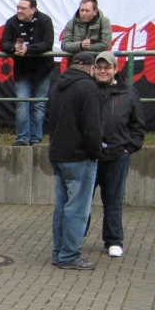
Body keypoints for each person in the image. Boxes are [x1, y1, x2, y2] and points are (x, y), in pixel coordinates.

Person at [46, 52, 103, 270]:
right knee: (77, 209)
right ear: (91, 68)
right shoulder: (88, 87)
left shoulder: (57, 86)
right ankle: (69, 255)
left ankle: (59, 252)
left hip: (58, 153)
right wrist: (95, 151)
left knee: (62, 206)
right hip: (79, 156)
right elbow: (92, 126)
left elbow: (49, 119)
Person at [93, 51, 145, 258]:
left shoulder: (129, 93)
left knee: (113, 200)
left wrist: (129, 147)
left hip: (117, 156)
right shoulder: (87, 90)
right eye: (99, 67)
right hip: (90, 156)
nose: (102, 71)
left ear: (115, 69)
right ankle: (75, 240)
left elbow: (138, 125)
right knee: (82, 201)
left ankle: (113, 240)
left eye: (107, 68)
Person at [0, 0, 55, 146]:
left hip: (43, 69)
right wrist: (14, 48)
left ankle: (36, 139)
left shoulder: (45, 20)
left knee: (38, 105)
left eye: (23, 8)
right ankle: (22, 138)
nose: (19, 11)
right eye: (18, 7)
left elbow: (48, 43)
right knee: (22, 102)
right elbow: (3, 43)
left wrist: (28, 49)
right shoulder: (12, 22)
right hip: (22, 70)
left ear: (33, 10)